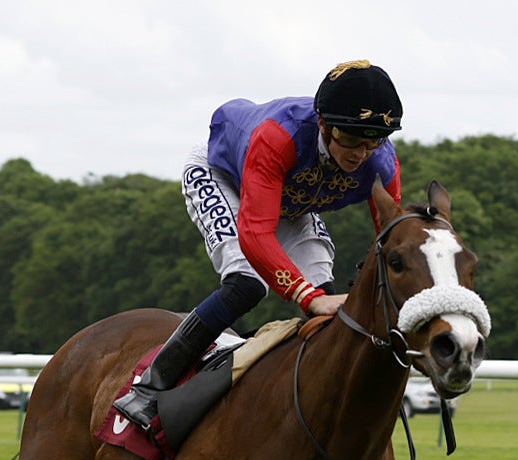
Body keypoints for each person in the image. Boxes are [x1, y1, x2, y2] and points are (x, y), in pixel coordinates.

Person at [115, 60, 404, 429]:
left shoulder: (382, 162)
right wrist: (306, 297)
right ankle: (151, 387)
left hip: (289, 195)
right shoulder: (277, 137)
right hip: (225, 174)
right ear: (322, 124)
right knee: (247, 284)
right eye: (349, 139)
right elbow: (255, 234)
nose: (360, 154)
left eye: (373, 141)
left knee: (326, 298)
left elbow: (391, 242)